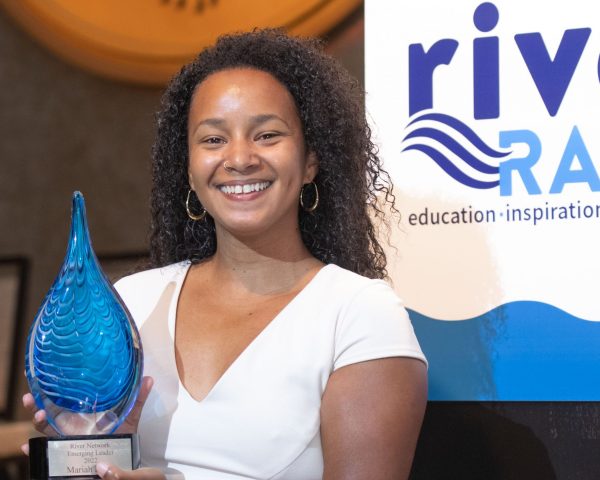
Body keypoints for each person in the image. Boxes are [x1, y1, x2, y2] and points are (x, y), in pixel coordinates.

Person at [23, 29, 427, 479]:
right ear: (190, 172)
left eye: (268, 135)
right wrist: (97, 448)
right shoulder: (133, 304)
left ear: (311, 160)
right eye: (213, 140)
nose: (239, 158)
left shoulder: (359, 313)